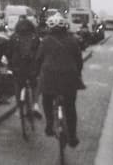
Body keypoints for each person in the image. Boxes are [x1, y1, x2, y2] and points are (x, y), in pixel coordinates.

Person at [35, 13, 84, 147]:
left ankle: (49, 125)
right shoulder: (72, 40)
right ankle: (73, 137)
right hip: (69, 78)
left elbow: (38, 59)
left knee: (46, 99)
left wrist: (38, 72)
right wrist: (78, 73)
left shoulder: (45, 41)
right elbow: (79, 61)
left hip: (50, 78)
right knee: (70, 107)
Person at [7, 16, 42, 116]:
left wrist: (10, 65)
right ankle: (35, 104)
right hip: (32, 68)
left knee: (18, 85)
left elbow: (8, 52)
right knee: (35, 85)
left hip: (18, 67)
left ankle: (18, 108)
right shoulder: (35, 37)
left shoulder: (14, 37)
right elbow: (39, 53)